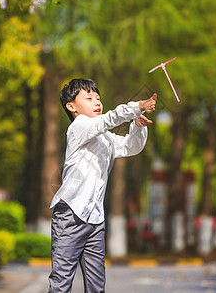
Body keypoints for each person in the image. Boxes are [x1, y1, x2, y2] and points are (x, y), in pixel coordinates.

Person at [48, 78, 157, 293]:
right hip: (70, 215)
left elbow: (129, 147)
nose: (97, 102)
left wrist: (137, 126)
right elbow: (108, 120)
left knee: (97, 286)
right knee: (61, 284)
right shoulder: (79, 127)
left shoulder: (104, 138)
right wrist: (137, 107)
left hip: (95, 219)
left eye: (98, 98)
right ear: (72, 107)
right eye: (89, 98)